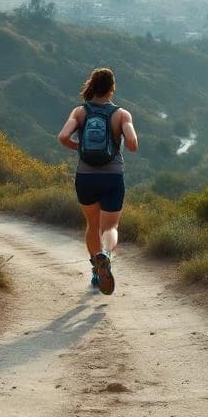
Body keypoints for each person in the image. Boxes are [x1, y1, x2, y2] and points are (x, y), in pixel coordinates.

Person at [57, 67, 138, 295]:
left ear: (91, 85)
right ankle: (107, 255)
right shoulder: (122, 114)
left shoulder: (80, 112)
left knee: (92, 225)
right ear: (112, 89)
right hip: (112, 176)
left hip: (85, 177)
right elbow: (132, 144)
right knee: (110, 226)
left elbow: (63, 137)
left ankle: (96, 269)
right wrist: (121, 139)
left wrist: (80, 149)